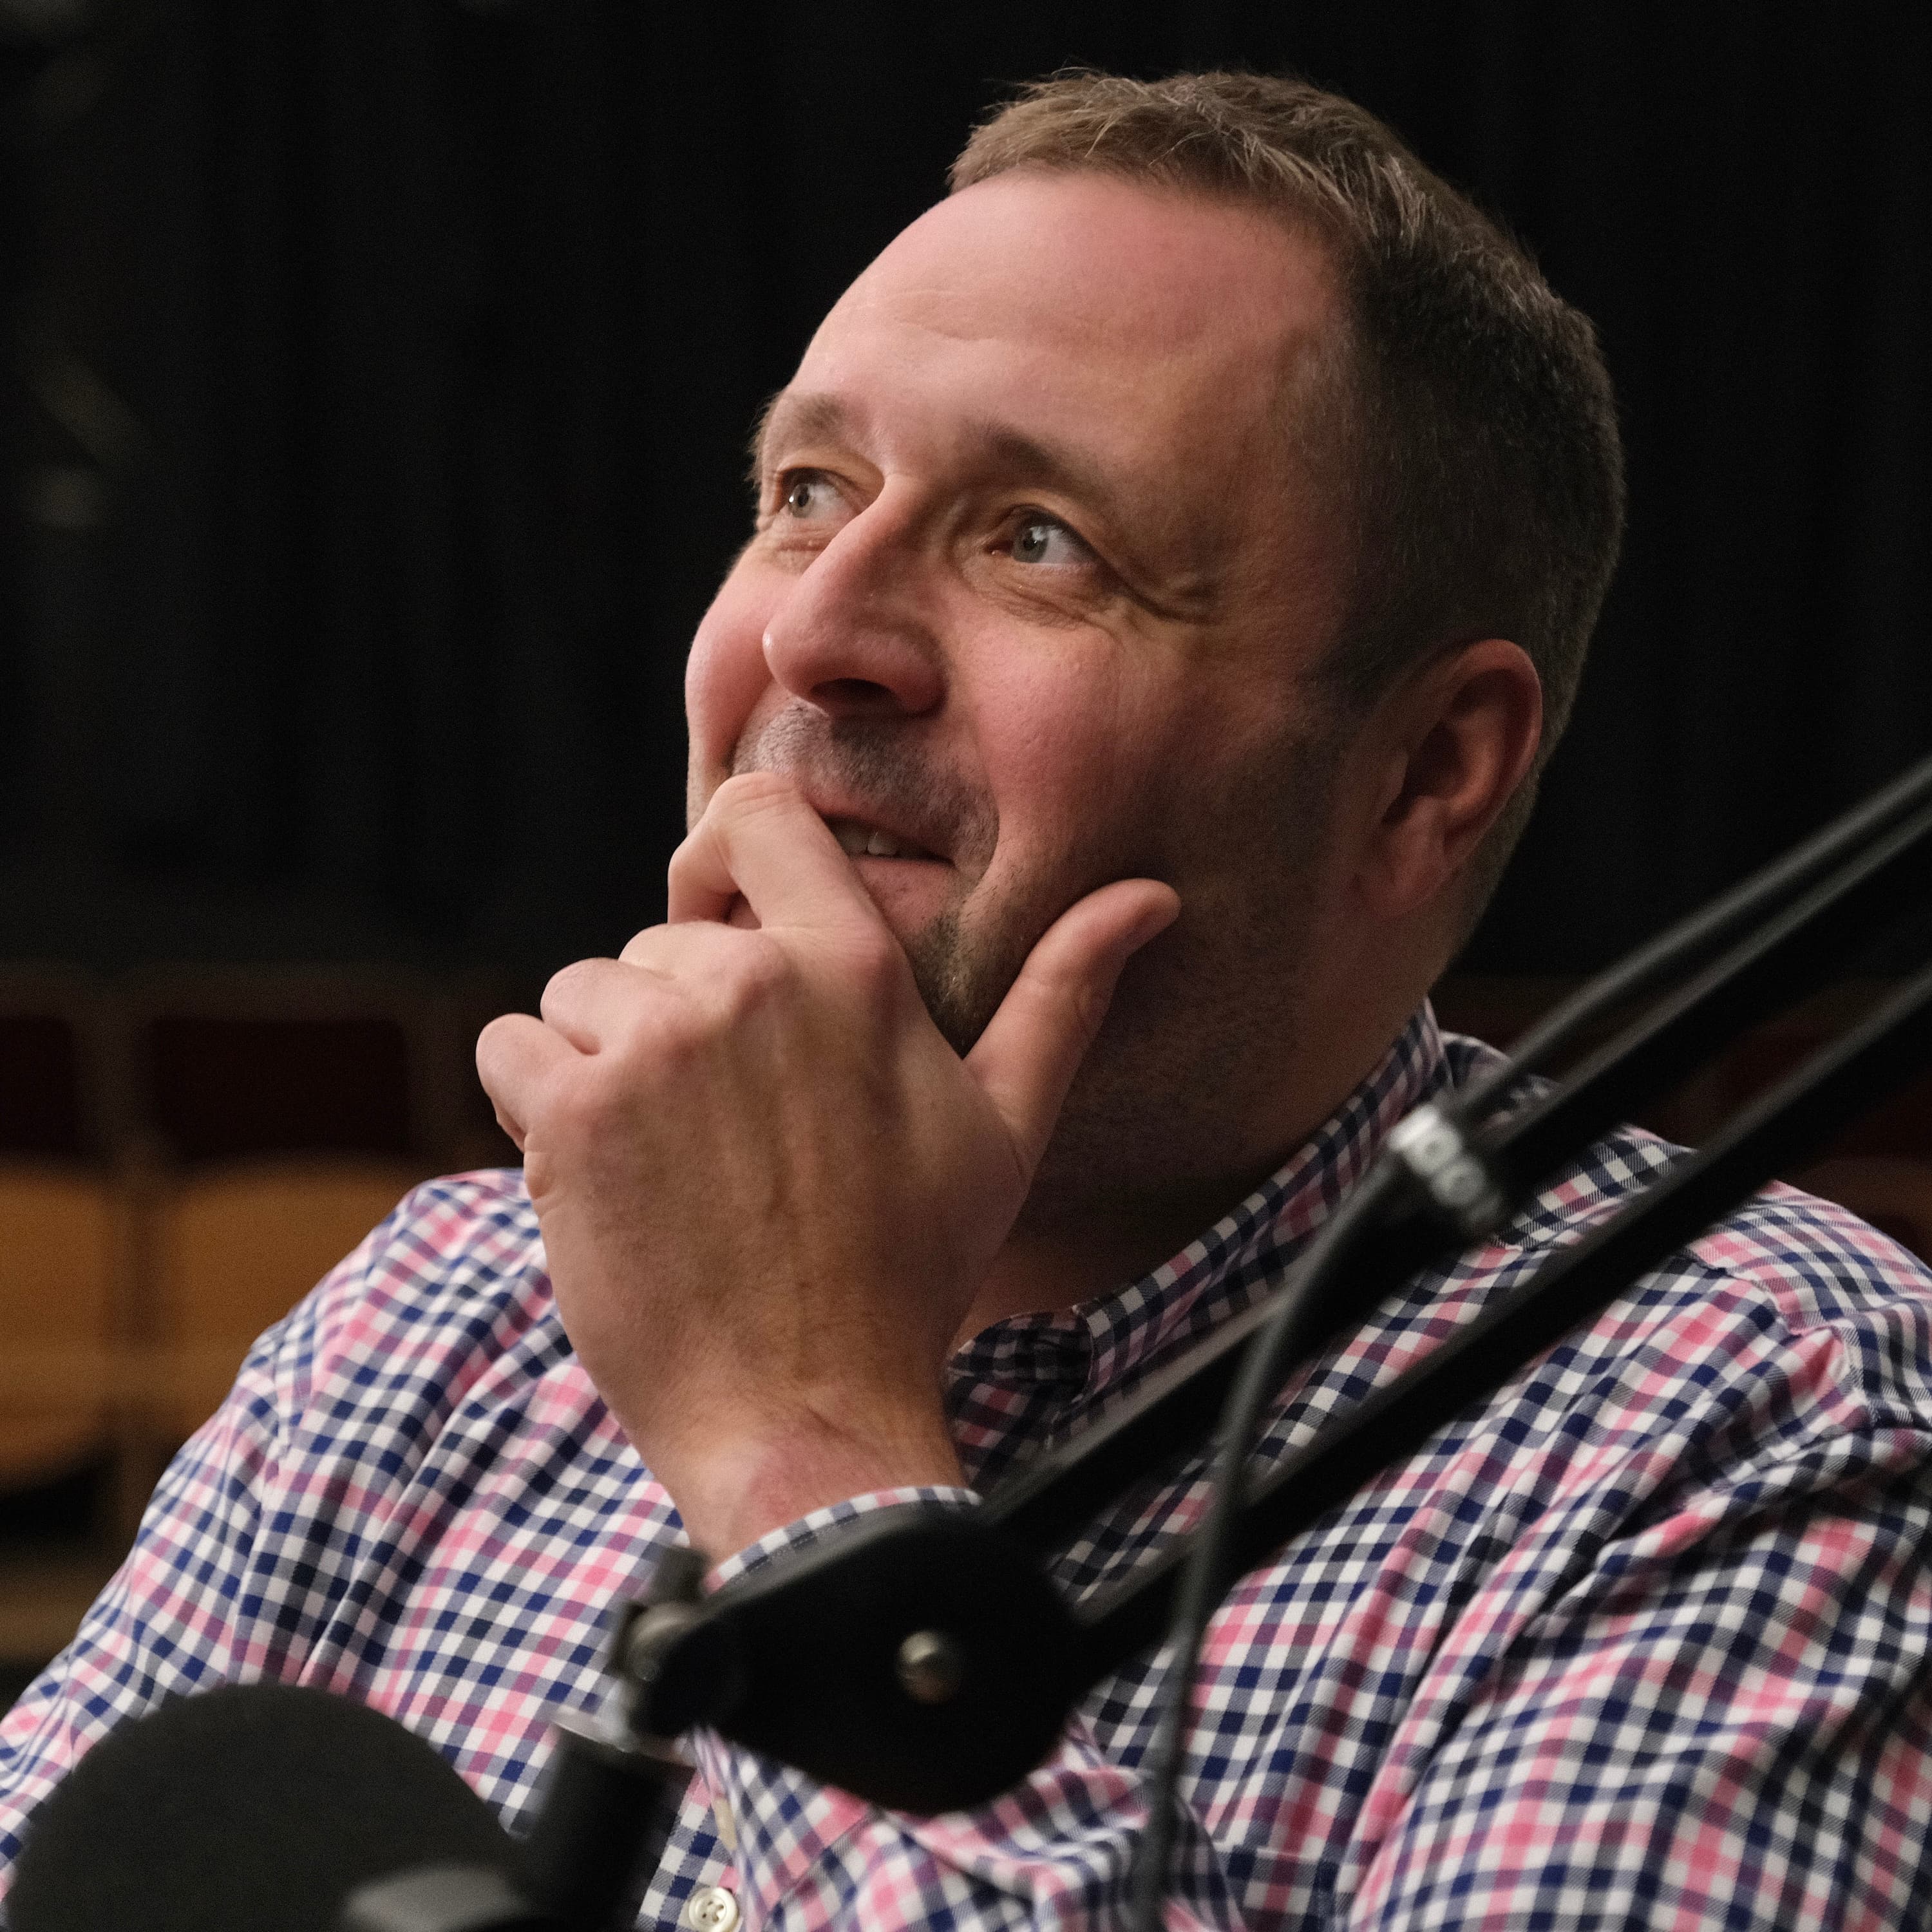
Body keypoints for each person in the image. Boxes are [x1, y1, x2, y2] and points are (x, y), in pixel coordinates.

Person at [5, 68, 1931, 1931]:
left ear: (1426, 770)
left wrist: (797, 1447)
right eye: (804, 491)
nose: (816, 631)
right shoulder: (451, 1310)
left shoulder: (1762, 1415)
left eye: (1037, 540)